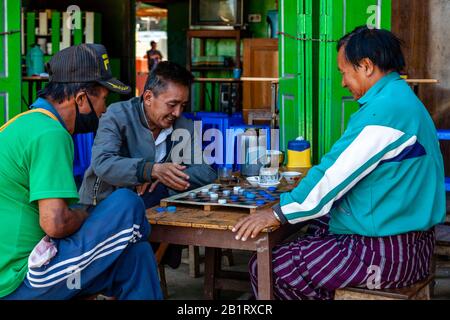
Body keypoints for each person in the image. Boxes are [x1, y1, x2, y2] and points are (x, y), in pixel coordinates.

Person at [232, 26, 446, 300]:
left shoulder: (385, 112)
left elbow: (332, 176)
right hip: (413, 246)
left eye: (344, 72)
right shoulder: (402, 100)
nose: (344, 82)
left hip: (385, 255)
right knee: (318, 225)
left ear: (366, 66)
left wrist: (276, 213)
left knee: (269, 268)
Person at [0, 43, 162, 300]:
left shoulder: (23, 123)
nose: (104, 110)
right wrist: (88, 217)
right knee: (127, 202)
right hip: (19, 279)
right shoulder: (50, 134)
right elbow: (55, 223)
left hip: (20, 269)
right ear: (81, 98)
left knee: (136, 256)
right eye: (103, 100)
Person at [79, 61, 217, 268]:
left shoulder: (184, 126)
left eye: (183, 106)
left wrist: (165, 176)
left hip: (154, 206)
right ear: (149, 97)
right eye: (172, 104)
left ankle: (141, 272)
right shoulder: (118, 116)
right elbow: (103, 163)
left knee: (161, 205)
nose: (178, 113)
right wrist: (149, 170)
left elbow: (207, 173)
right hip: (103, 205)